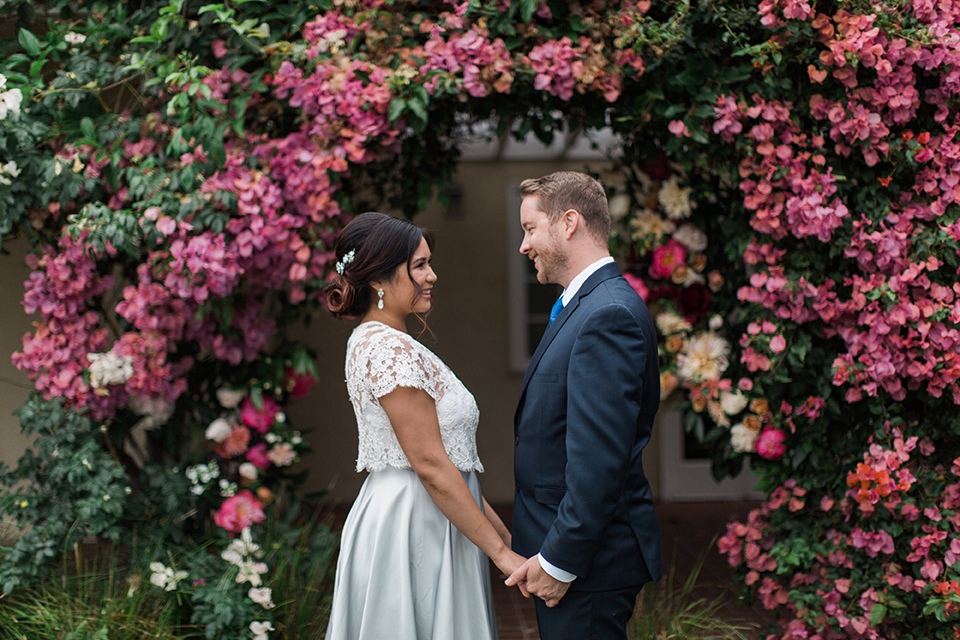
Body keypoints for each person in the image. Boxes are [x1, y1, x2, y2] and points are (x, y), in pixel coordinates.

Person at [324, 212, 523, 640]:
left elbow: (448, 464)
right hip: (414, 523)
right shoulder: (387, 349)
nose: (432, 275)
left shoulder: (383, 340)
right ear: (379, 277)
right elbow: (430, 463)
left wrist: (503, 536)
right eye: (419, 265)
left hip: (432, 512)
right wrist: (502, 555)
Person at [505, 172, 664, 640]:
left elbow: (599, 461)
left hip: (588, 565)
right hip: (577, 560)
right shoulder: (585, 306)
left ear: (569, 222)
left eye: (530, 229)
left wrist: (560, 561)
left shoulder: (607, 314)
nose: (523, 245)